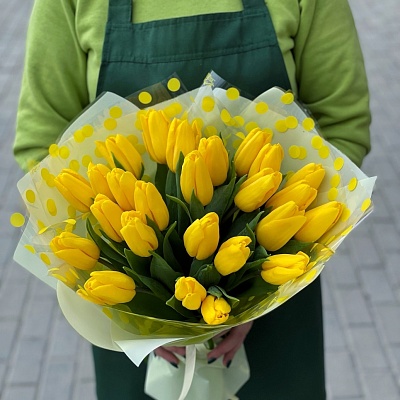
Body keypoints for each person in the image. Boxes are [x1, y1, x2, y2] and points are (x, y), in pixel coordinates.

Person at [14, 0, 371, 399]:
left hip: (279, 291)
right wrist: (146, 317)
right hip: (127, 309)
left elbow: (343, 123)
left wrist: (255, 295)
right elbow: (42, 145)